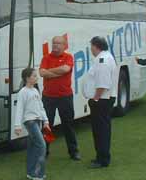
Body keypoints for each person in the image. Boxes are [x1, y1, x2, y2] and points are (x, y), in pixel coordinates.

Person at [39, 35, 80, 161]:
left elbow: (65, 69)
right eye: (54, 43)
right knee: (47, 126)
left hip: (65, 97)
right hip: (48, 97)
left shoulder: (68, 57)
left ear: (64, 45)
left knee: (68, 125)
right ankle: (44, 151)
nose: (56, 45)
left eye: (59, 43)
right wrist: (57, 72)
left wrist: (49, 72)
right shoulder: (46, 57)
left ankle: (73, 152)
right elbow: (41, 73)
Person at [82, 36, 117, 169]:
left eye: (91, 46)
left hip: (102, 100)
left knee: (100, 130)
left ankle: (102, 159)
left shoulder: (103, 60)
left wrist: (95, 98)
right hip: (102, 99)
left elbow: (103, 83)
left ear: (96, 46)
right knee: (100, 130)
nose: (91, 49)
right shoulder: (104, 58)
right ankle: (101, 156)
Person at [14, 67, 49, 180]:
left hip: (38, 121)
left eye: (36, 76)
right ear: (27, 78)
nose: (36, 77)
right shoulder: (23, 92)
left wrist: (46, 121)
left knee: (33, 147)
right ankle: (38, 174)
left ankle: (30, 172)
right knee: (41, 145)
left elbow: (41, 107)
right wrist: (17, 125)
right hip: (30, 122)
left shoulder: (35, 91)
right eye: (34, 76)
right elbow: (19, 109)